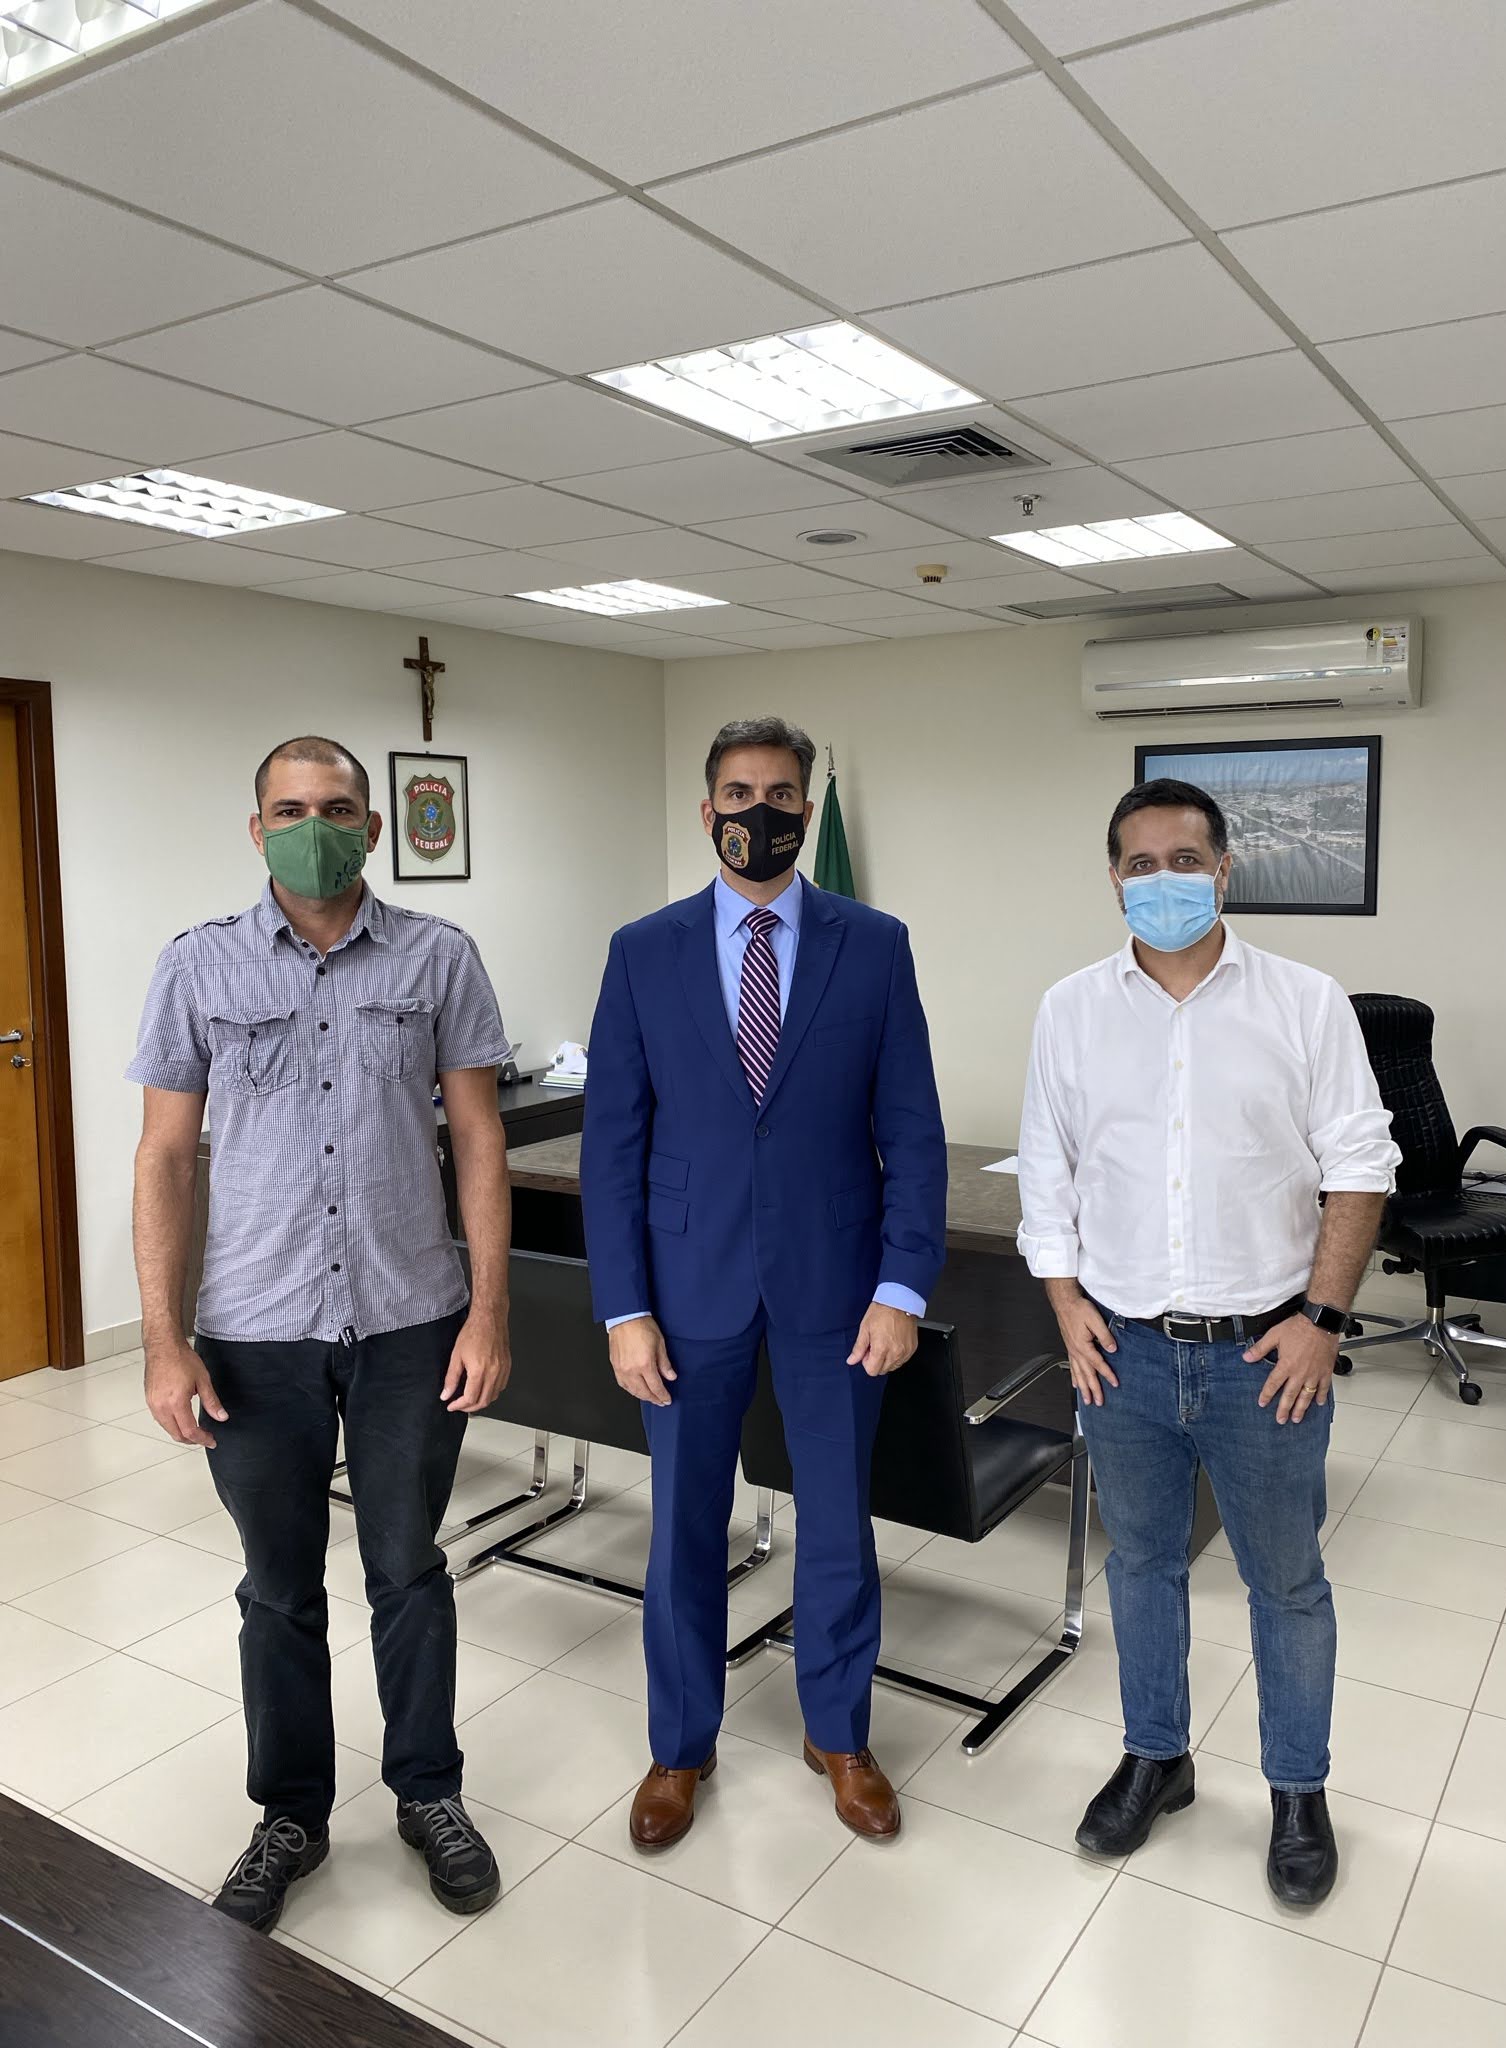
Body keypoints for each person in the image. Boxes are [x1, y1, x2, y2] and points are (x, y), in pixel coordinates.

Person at [128, 735, 514, 1935]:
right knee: (279, 1588)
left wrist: (490, 1308)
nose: (315, 826)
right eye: (291, 809)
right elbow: (165, 1156)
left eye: (338, 808)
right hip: (255, 1329)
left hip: (411, 1318)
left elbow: (479, 1137)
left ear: (373, 827)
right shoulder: (196, 964)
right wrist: (162, 1338)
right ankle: (290, 1813)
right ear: (257, 830)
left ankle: (429, 1791)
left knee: (409, 1569)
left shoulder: (439, 955)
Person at [1018, 777, 1398, 1906]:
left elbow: (1361, 1166)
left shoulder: (1305, 1002)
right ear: (1113, 879)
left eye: (1184, 859)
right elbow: (1048, 1170)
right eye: (1140, 863)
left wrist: (1322, 1321)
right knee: (1139, 1565)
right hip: (1122, 1351)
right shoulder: (1070, 1010)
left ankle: (1297, 1789)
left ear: (1224, 870)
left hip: (1265, 1357)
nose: (1163, 880)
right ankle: (1157, 1757)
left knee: (1286, 1583)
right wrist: (1065, 1304)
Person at [582, 716, 947, 1848]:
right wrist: (624, 1307)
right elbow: (613, 1144)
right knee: (684, 1529)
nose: (760, 811)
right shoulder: (643, 949)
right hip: (684, 1289)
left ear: (805, 808)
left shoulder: (872, 943)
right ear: (708, 812)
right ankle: (679, 1745)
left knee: (837, 1525)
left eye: (781, 794)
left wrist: (904, 1286)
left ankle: (838, 1734)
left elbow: (912, 1130)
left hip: (837, 1288)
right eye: (739, 793)